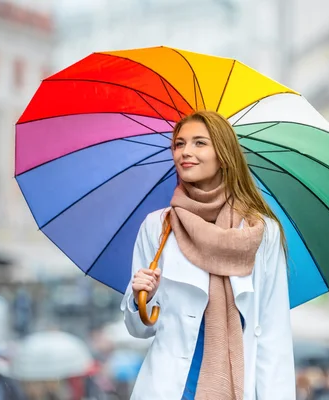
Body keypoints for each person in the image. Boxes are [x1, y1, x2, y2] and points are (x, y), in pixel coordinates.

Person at [121, 110, 295, 399]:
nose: (185, 152)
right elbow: (138, 329)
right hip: (170, 388)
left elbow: (273, 332)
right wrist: (143, 295)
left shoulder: (260, 232)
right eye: (179, 144)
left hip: (239, 386)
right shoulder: (158, 227)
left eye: (199, 143)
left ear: (223, 154)